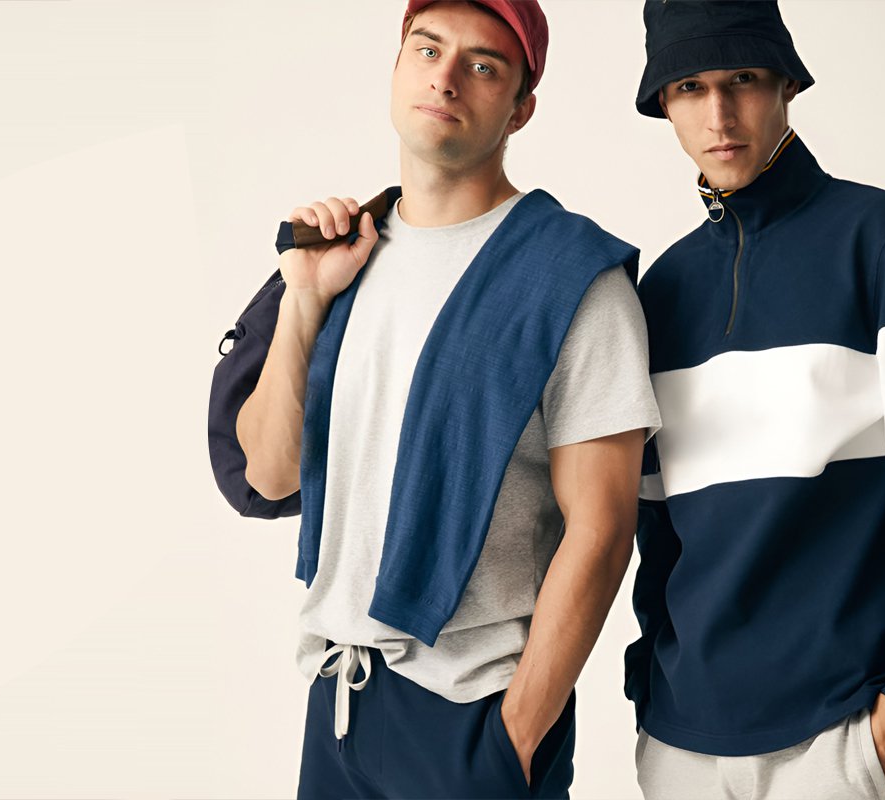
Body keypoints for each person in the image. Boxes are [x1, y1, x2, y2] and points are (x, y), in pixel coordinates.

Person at [232, 1, 660, 796]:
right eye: (427, 51)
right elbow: (269, 473)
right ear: (397, 68)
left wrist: (514, 739)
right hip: (337, 703)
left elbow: (602, 531)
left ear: (521, 108)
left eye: (483, 65)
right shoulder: (344, 257)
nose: (446, 77)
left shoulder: (573, 277)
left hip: (470, 716)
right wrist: (304, 298)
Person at [622, 2, 885, 798]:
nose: (719, 114)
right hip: (681, 747)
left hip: (839, 740)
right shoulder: (662, 291)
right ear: (664, 101)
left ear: (787, 85)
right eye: (691, 86)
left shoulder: (883, 241)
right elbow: (657, 532)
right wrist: (648, 698)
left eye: (742, 79)